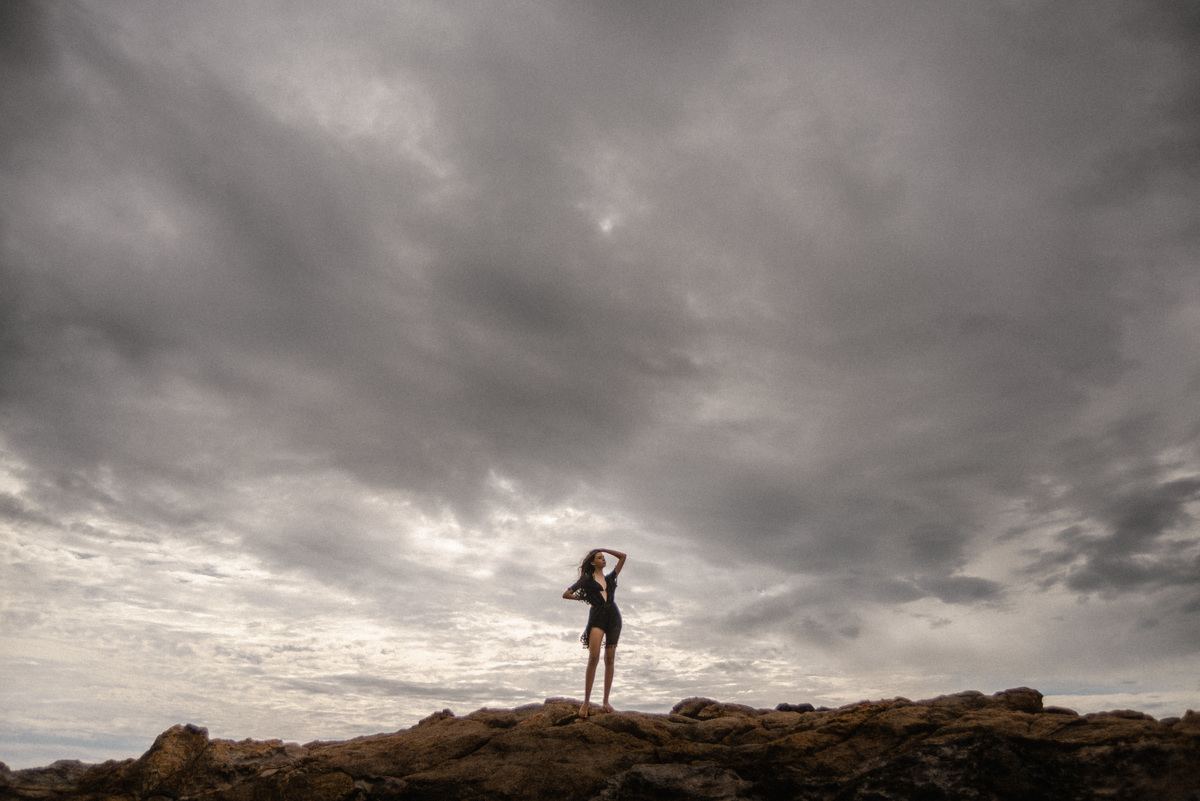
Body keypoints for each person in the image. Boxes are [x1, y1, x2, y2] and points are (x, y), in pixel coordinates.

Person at [562, 547, 627, 718]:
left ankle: (606, 701)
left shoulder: (611, 578)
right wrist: (584, 598)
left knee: (610, 658)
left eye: (603, 557)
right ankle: (586, 702)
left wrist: (603, 548)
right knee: (594, 657)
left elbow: (623, 557)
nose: (603, 559)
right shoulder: (587, 580)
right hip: (597, 617)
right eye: (599, 557)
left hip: (614, 618)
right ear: (593, 562)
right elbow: (566, 594)